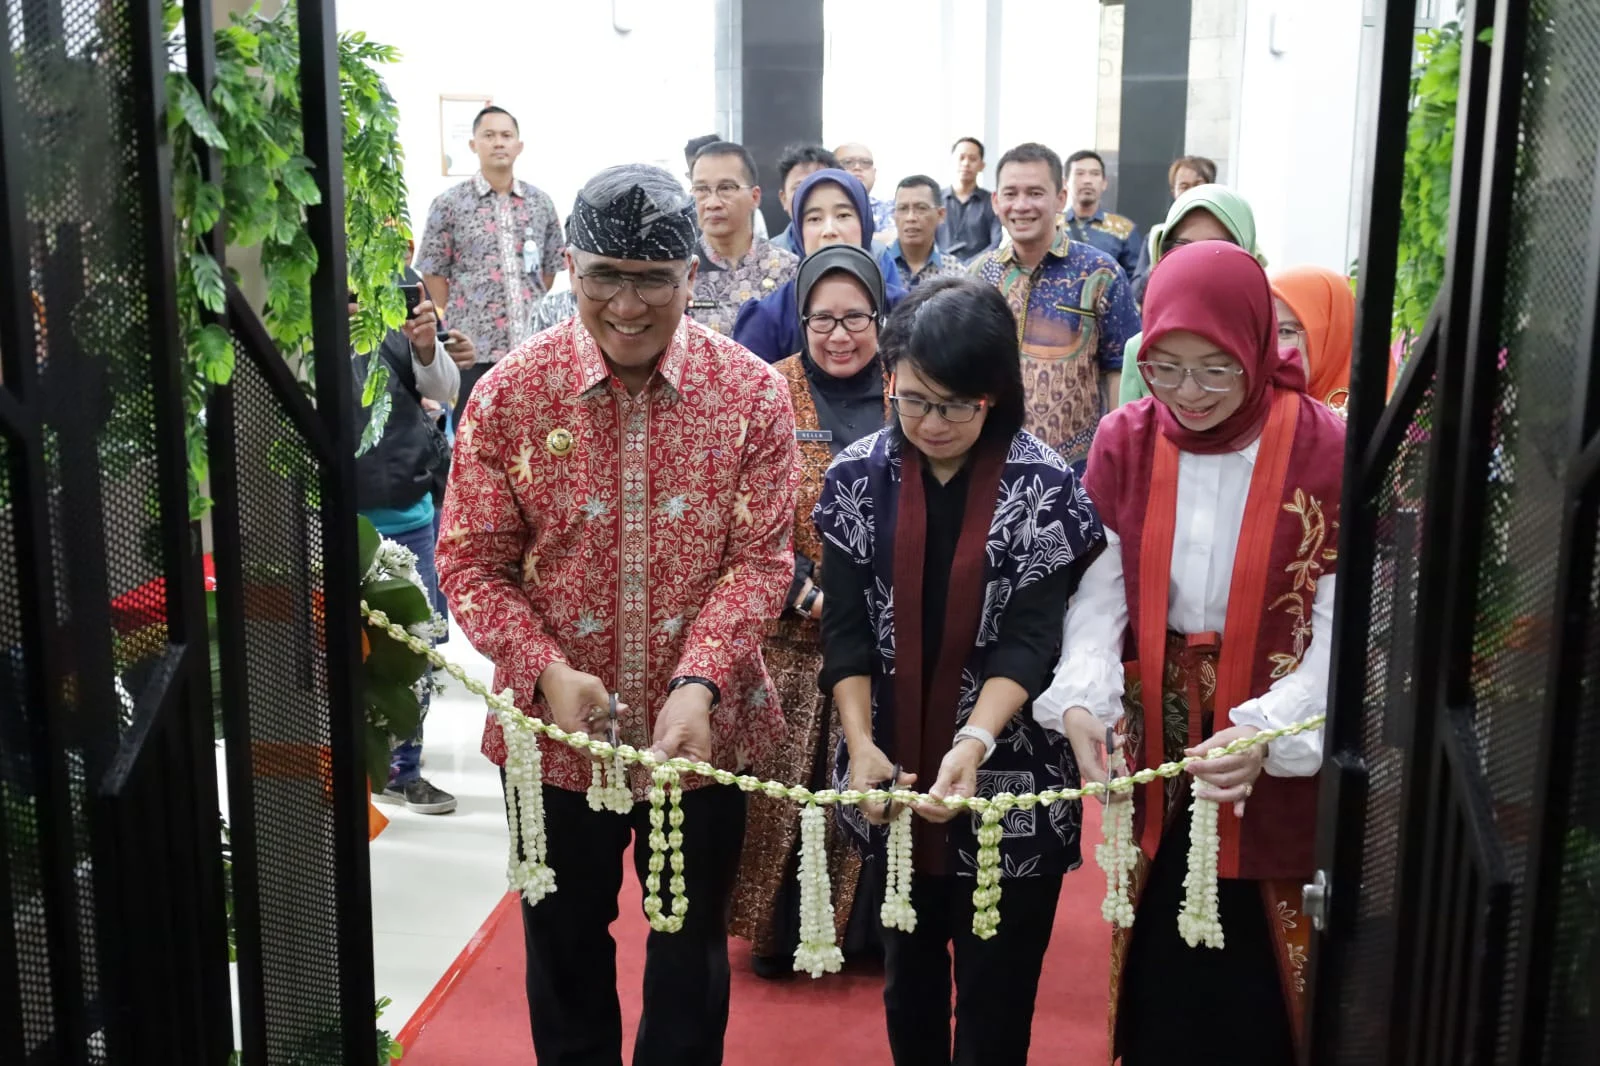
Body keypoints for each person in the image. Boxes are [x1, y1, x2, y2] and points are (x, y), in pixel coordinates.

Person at [436, 164, 800, 1066]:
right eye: (605, 275)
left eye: (652, 280)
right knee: (562, 952)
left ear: (690, 277)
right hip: (553, 743)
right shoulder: (511, 395)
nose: (627, 304)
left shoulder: (750, 396)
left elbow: (763, 563)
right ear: (569, 266)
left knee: (689, 955)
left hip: (703, 738)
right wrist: (543, 669)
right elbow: (469, 563)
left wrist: (700, 681)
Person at [1037, 241, 1341, 1066]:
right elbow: (1101, 592)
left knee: (1261, 980)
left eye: (1216, 370)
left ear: (1256, 348)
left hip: (1272, 735)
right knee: (1165, 964)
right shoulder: (1127, 439)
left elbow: (1344, 621)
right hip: (1162, 732)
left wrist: (1271, 732)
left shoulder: (1326, 446)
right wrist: (1082, 697)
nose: (1188, 394)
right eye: (1164, 367)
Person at [815, 276, 1104, 1066]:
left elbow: (1031, 640)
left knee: (996, 1004)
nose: (930, 424)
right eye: (913, 400)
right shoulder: (853, 479)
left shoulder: (1045, 487)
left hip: (1011, 780)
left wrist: (973, 743)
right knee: (907, 989)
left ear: (994, 397)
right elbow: (843, 631)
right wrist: (859, 741)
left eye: (954, 406)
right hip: (894, 773)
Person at [729, 244, 889, 977]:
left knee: (877, 779)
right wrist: (801, 585)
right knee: (789, 794)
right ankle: (780, 932)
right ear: (800, 320)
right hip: (793, 635)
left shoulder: (907, 390)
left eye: (856, 315)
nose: (840, 333)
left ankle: (867, 936)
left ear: (880, 317)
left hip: (888, 637)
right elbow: (737, 508)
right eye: (822, 318)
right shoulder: (767, 390)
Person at [353, 270, 465, 814]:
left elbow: (444, 391)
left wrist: (425, 345)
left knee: (415, 643)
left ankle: (405, 767)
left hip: (405, 504)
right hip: (332, 511)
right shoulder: (292, 296)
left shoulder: (398, 285)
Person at [969, 142, 1140, 469]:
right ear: (995, 201)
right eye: (1010, 194)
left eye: (1035, 193)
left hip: (1077, 469)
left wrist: (1117, 454)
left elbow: (1120, 368)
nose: (1021, 205)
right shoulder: (978, 275)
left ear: (1061, 198)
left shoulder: (1101, 274)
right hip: (990, 462)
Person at [416, 105, 566, 423]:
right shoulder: (449, 204)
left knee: (536, 440)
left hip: (532, 350)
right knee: (476, 442)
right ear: (473, 144)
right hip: (473, 353)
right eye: (489, 135)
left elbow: (550, 269)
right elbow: (433, 272)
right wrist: (463, 317)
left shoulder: (541, 203)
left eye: (506, 135)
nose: (499, 142)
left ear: (519, 145)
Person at [732, 168, 908, 364]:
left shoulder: (902, 311)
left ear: (864, 223)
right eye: (814, 219)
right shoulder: (767, 320)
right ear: (799, 231)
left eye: (843, 215)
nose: (829, 230)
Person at [1121, 185, 1266, 404]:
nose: (1196, 260)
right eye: (1182, 247)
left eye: (1215, 247)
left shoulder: (1271, 347)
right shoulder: (1142, 351)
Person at [688, 141, 800, 335]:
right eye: (702, 189)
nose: (712, 203)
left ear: (755, 197)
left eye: (726, 188)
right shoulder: (680, 273)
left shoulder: (788, 269)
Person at [1129, 155, 1220, 303]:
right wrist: (1159, 263)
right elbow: (1136, 294)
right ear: (1173, 192)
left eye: (1198, 184)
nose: (1191, 192)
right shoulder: (1157, 237)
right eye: (1184, 186)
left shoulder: (1229, 233)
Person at [1272, 265, 1355, 414]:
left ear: (1332, 338)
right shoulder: (1254, 413)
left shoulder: (1381, 419)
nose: (1269, 348)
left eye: (1285, 331)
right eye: (1265, 332)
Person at [1062, 150, 1141, 278]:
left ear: (1104, 183)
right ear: (1065, 183)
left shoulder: (1124, 229)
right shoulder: (1051, 226)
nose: (1087, 180)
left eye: (1095, 174)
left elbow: (1135, 280)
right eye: (1079, 173)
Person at [886, 175, 968, 289]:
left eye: (921, 208)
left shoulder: (956, 274)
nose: (910, 218)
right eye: (903, 208)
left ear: (940, 215)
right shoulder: (878, 264)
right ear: (893, 215)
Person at [938, 137, 1003, 263]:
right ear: (951, 161)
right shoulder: (935, 199)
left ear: (982, 166)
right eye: (961, 158)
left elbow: (996, 242)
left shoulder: (992, 202)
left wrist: (971, 265)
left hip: (978, 273)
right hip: (938, 270)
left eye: (972, 159)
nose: (966, 163)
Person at [769, 144, 839, 255]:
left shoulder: (873, 254)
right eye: (799, 188)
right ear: (784, 199)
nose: (809, 195)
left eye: (820, 185)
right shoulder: (767, 259)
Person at [834, 141, 897, 251]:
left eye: (866, 163)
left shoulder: (890, 210)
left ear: (874, 173)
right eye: (848, 162)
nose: (858, 167)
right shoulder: (820, 210)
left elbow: (898, 239)